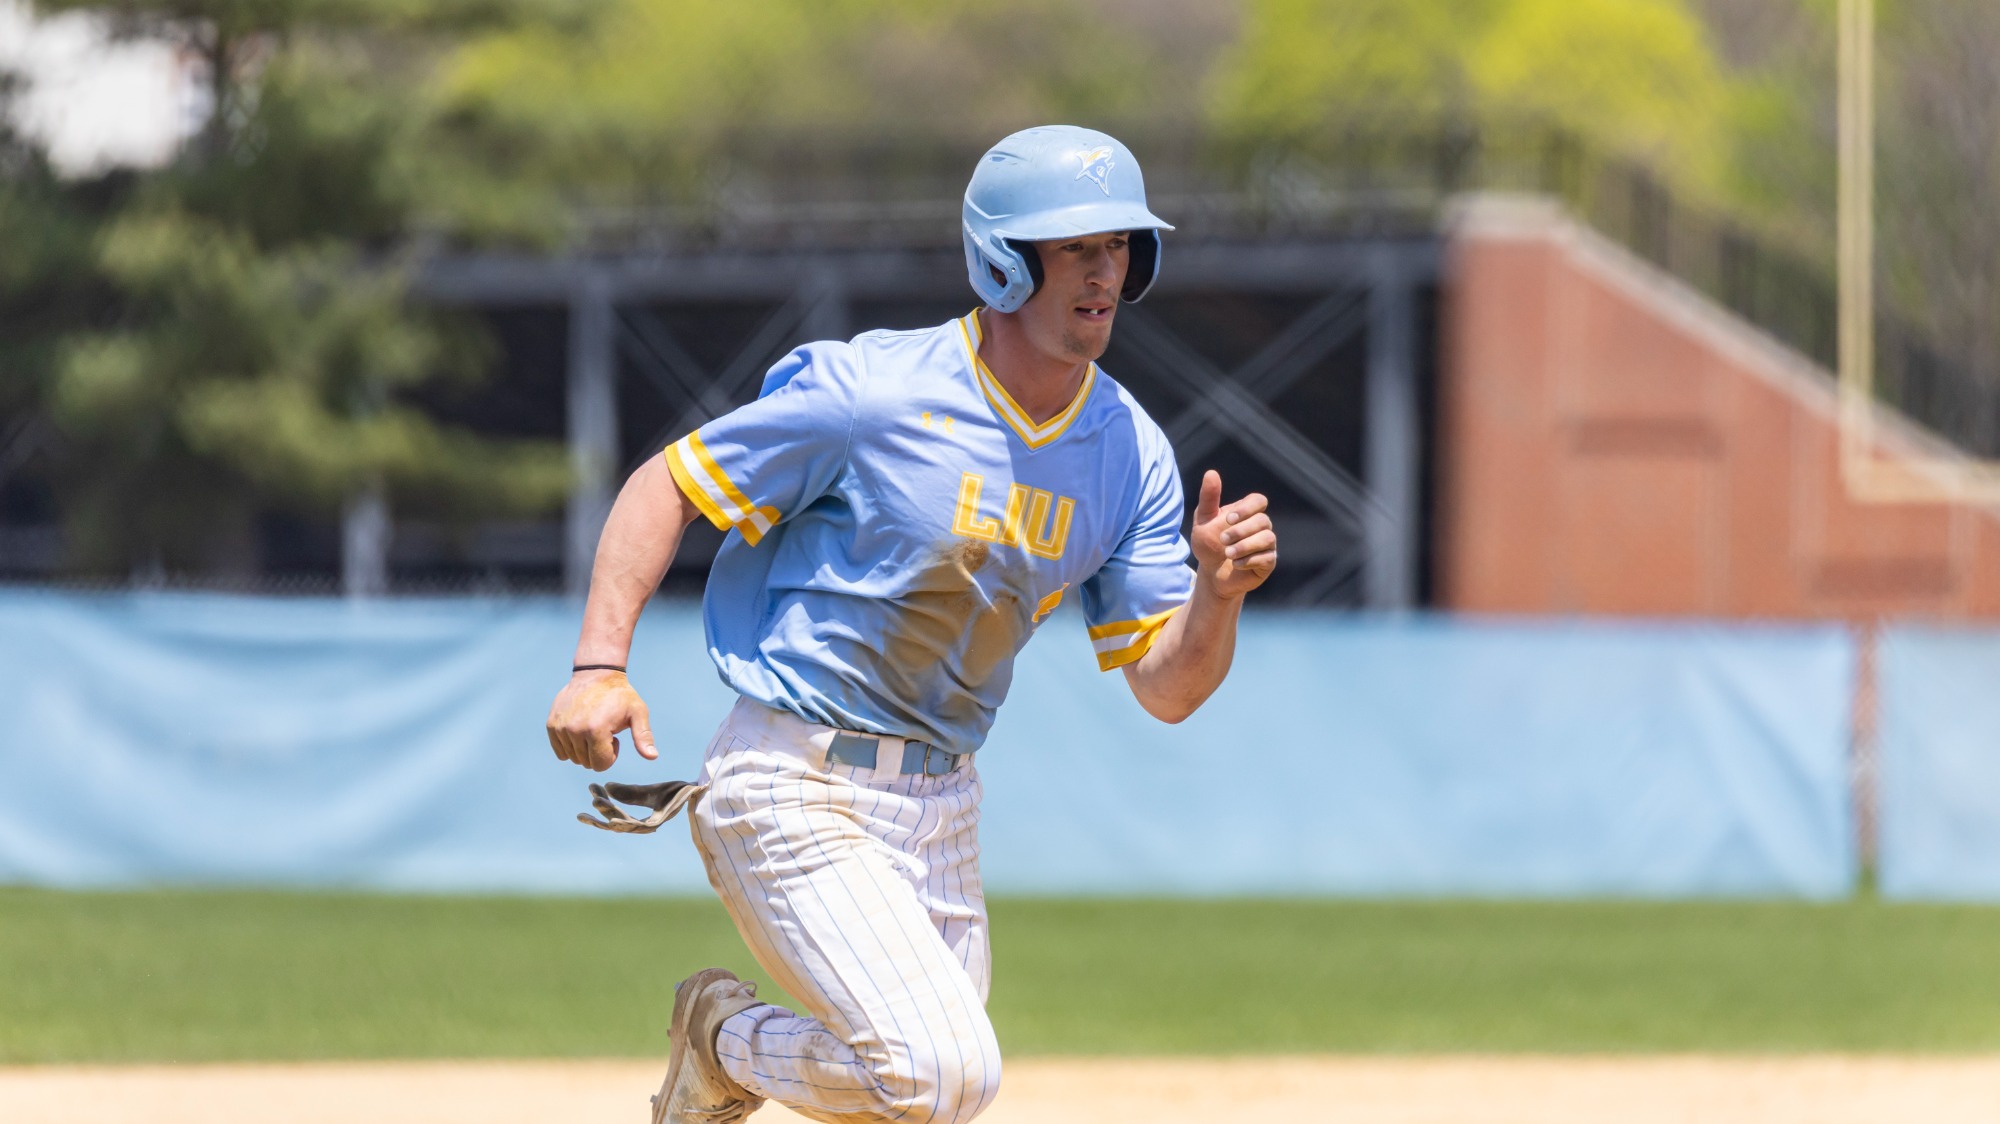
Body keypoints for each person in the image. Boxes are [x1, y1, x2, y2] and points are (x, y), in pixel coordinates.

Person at [544, 124, 1277, 1124]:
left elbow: (1168, 686)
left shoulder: (1128, 451)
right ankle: (721, 1040)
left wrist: (1215, 595)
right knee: (940, 1072)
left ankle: (727, 1054)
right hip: (791, 776)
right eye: (1073, 246)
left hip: (943, 801)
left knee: (919, 1097)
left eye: (1118, 246)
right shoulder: (873, 391)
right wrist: (598, 661)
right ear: (1002, 260)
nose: (1101, 270)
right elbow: (666, 483)